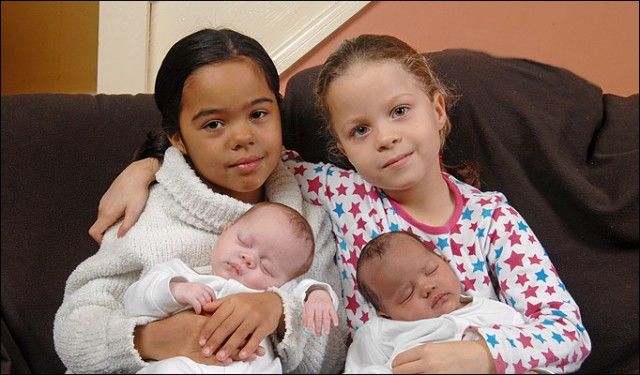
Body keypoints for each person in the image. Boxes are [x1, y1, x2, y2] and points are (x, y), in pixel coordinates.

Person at [88, 34, 592, 373]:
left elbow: (569, 333)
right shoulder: (334, 190)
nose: (387, 138)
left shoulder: (493, 219)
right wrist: (148, 165)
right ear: (341, 147)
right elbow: (234, 150)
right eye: (360, 130)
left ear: (437, 110)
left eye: (400, 111)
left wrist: (480, 356)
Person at [53, 28, 347, 374]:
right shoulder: (146, 212)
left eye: (258, 114)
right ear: (178, 138)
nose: (242, 137)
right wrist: (151, 339)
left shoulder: (309, 222)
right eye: (213, 124)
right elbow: (74, 330)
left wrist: (278, 311)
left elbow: (331, 358)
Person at [124, 201, 339, 373]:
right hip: (186, 365)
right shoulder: (180, 274)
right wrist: (176, 290)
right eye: (243, 242)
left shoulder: (270, 297)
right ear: (225, 231)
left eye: (266, 267)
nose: (248, 257)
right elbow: (132, 302)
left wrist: (318, 294)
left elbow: (299, 297)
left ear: (280, 282)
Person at [345, 231, 526, 373]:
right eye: (407, 294)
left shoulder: (495, 312)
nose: (427, 287)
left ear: (445, 260)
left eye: (431, 270)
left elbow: (523, 350)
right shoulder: (378, 333)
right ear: (385, 312)